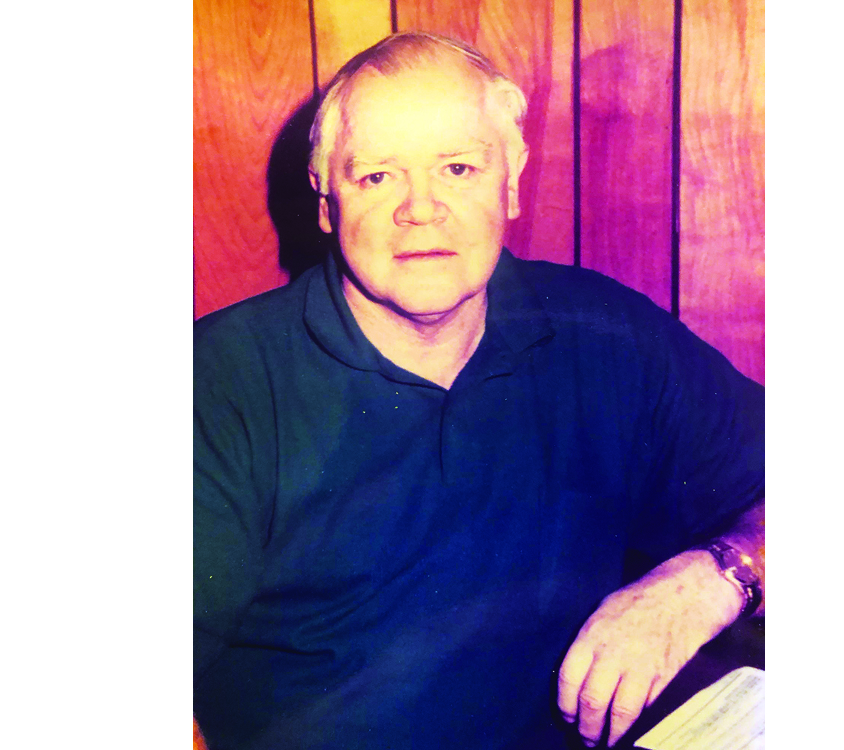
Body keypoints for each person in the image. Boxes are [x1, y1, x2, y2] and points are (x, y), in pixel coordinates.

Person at [194, 31, 764, 750]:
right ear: (326, 202)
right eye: (377, 177)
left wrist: (717, 576)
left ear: (512, 180)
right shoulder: (214, 384)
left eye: (458, 168)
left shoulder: (606, 331)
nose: (421, 208)